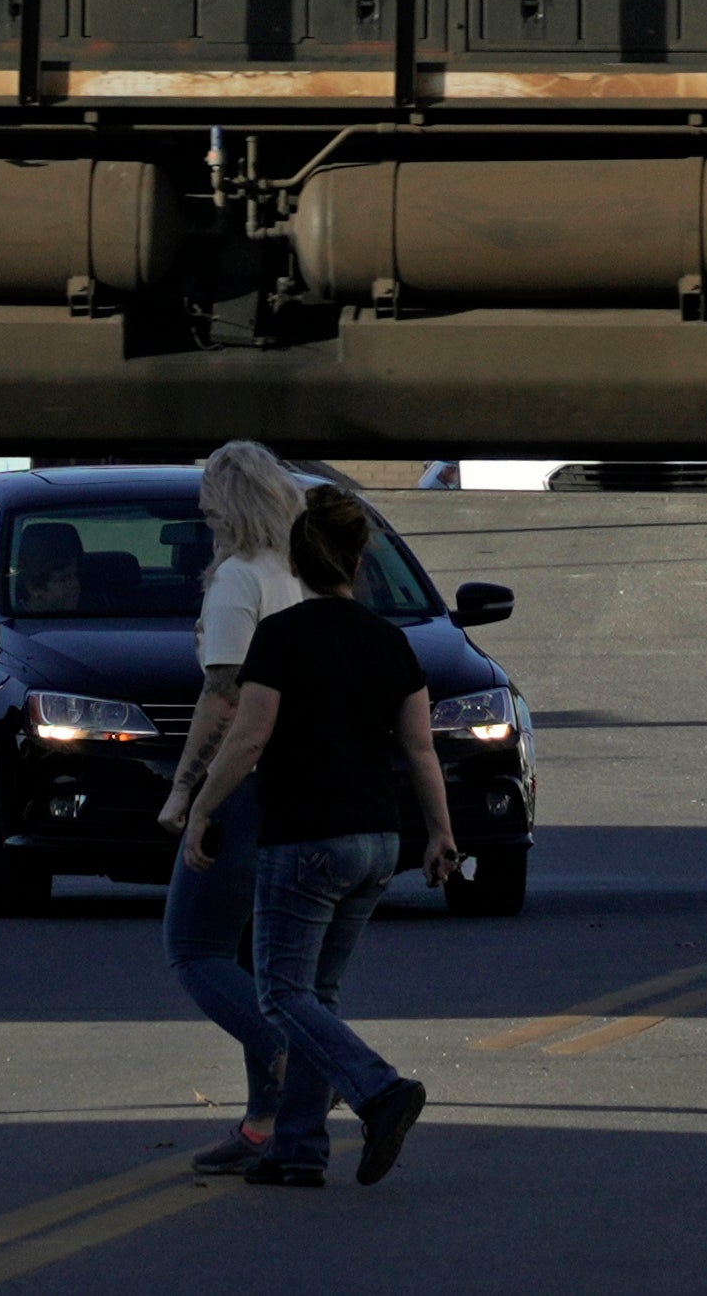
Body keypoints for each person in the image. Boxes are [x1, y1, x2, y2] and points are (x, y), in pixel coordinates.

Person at [170, 483, 449, 1189]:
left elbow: (248, 734)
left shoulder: (283, 637)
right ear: (358, 561)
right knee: (314, 996)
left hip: (306, 839)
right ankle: (296, 1151)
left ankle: (378, 1088)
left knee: (279, 994)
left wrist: (202, 806)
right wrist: (441, 833)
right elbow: (419, 749)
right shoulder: (391, 641)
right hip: (377, 841)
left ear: (295, 561)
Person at [157, 441, 307, 1175]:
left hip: (241, 785)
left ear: (225, 505)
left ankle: (306, 1061)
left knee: (194, 948)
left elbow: (222, 695)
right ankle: (261, 1124)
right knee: (258, 956)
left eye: (206, 503)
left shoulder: (237, 583)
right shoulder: (298, 576)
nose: (201, 516)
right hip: (297, 786)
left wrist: (186, 793)